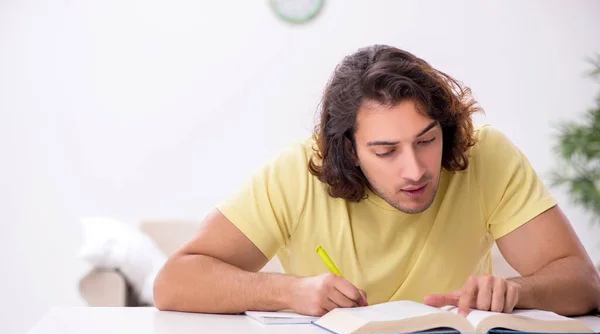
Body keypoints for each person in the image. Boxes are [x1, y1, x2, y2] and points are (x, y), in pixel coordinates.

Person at [153, 44, 600, 317]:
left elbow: (582, 281)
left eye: (427, 139)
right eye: (386, 151)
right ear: (348, 148)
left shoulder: (488, 156)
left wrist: (515, 290)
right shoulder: (298, 170)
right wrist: (290, 292)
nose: (415, 170)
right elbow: (174, 281)